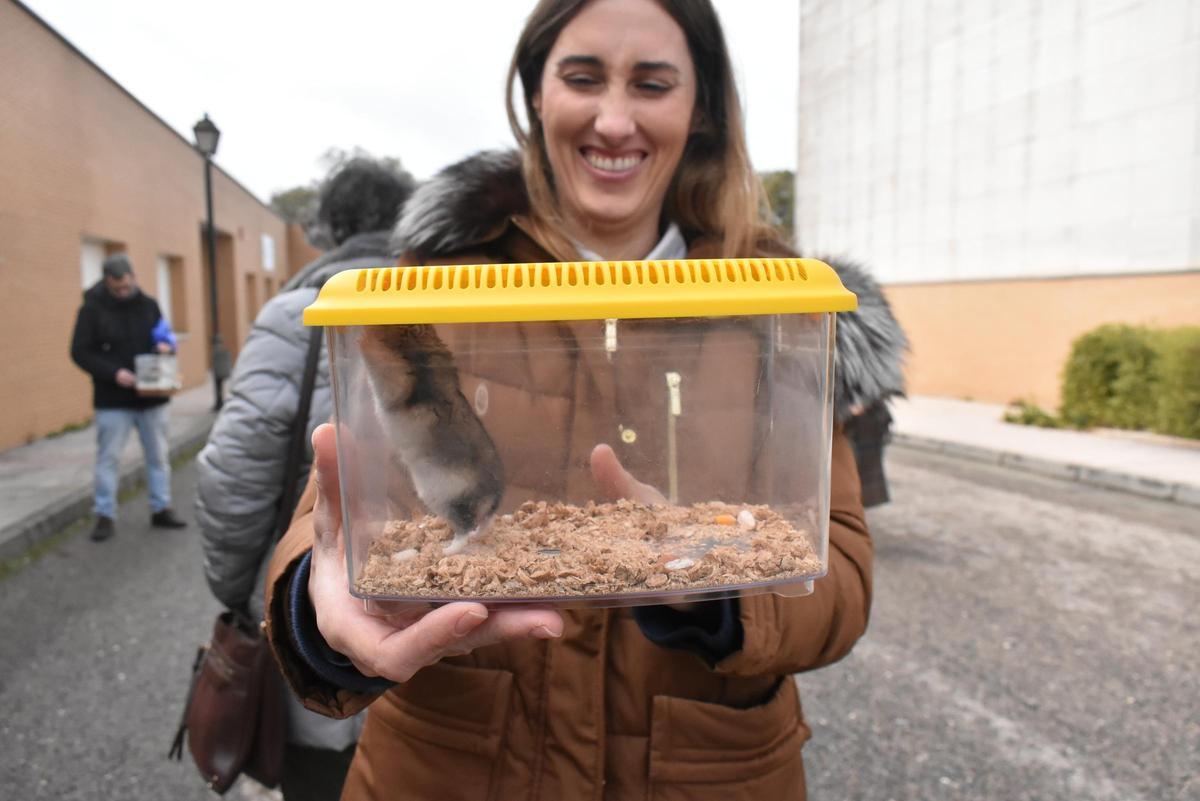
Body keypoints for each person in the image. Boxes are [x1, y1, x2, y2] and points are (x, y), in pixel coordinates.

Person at [263, 1, 906, 798]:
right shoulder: (432, 281)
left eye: (652, 83)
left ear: (699, 107)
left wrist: (709, 592)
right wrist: (317, 609)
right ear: (537, 94)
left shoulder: (776, 304)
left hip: (707, 769)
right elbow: (335, 525)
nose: (612, 119)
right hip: (448, 767)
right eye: (582, 77)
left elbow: (839, 574)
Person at [195, 158, 415, 800]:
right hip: (431, 633)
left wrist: (249, 595)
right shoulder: (443, 307)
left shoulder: (294, 315)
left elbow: (230, 480)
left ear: (331, 229)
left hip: (312, 632)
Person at [70, 253, 187, 542]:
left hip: (152, 398)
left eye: (126, 286)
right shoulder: (91, 309)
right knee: (108, 459)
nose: (123, 292)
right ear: (107, 281)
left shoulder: (149, 305)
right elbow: (79, 351)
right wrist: (114, 373)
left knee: (158, 456)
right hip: (112, 400)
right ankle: (105, 515)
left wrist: (165, 347)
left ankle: (162, 508)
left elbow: (165, 337)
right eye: (117, 288)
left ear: (133, 277)